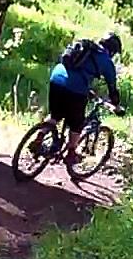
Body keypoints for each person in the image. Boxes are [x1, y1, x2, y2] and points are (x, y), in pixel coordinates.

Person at [48, 33, 124, 162]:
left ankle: (39, 137)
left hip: (56, 77)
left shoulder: (85, 46)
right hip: (76, 87)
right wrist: (116, 105)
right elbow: (112, 89)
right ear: (112, 51)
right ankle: (71, 153)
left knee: (55, 115)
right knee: (76, 123)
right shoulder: (107, 62)